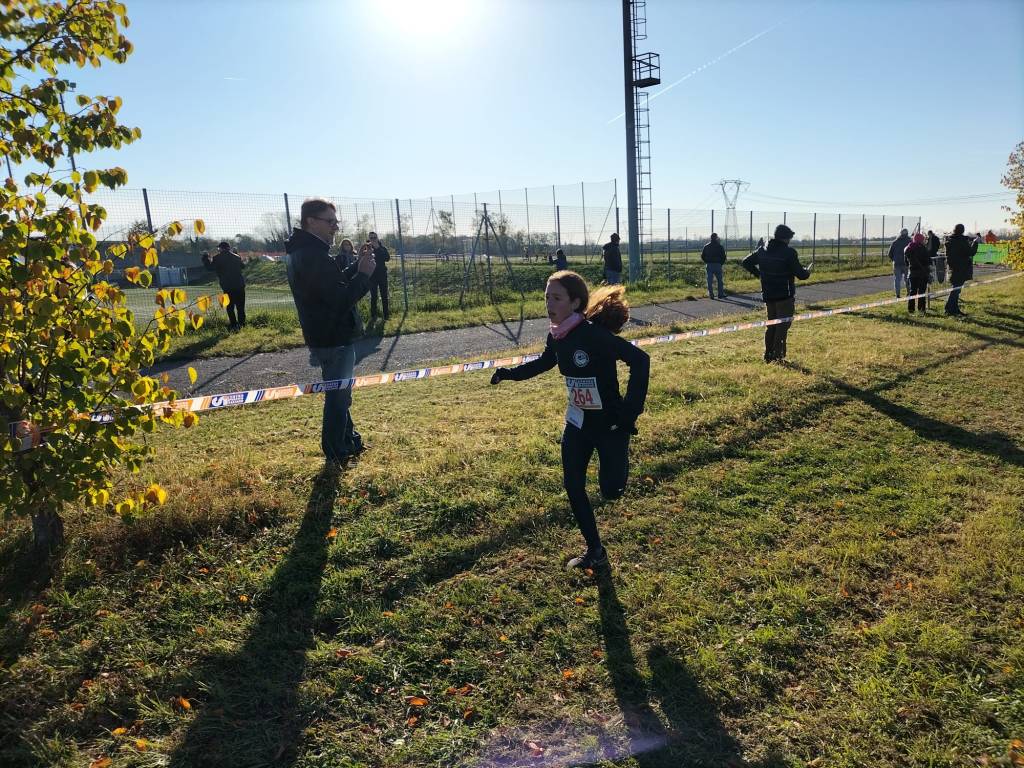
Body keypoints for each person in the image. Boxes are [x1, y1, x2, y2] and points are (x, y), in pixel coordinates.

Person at [490, 270, 649, 571]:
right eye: (547, 296)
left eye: (557, 297)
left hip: (610, 426)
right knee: (573, 485)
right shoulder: (557, 335)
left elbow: (640, 360)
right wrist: (508, 373)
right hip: (577, 424)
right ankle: (595, 551)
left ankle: (617, 462)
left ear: (575, 303)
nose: (549, 303)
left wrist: (630, 413)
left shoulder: (594, 335)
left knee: (610, 491)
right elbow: (544, 362)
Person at [286, 198, 376, 462]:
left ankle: (349, 440)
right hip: (333, 337)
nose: (335, 227)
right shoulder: (312, 255)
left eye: (336, 222)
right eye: (330, 222)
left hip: (325, 336)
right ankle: (337, 450)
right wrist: (363, 276)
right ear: (311, 221)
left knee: (340, 393)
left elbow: (330, 286)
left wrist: (356, 267)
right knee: (338, 398)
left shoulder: (306, 251)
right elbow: (338, 301)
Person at [741, 224, 813, 363]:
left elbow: (746, 262)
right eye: (789, 238)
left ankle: (768, 354)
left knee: (771, 325)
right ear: (785, 238)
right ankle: (777, 356)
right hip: (784, 296)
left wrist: (760, 275)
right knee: (782, 326)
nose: (790, 241)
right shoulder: (789, 252)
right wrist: (807, 271)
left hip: (768, 294)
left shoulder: (762, 250)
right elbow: (801, 275)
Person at [202, 241, 247, 330]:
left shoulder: (217, 258)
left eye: (218, 248)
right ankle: (242, 325)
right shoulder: (236, 257)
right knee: (240, 307)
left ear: (221, 248)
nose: (218, 250)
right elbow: (243, 266)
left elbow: (209, 268)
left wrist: (205, 257)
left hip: (228, 287)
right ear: (229, 248)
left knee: (230, 307)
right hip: (240, 285)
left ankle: (234, 325)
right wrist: (236, 254)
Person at [943, 224, 978, 316]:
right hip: (960, 268)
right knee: (956, 290)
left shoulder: (950, 240)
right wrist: (975, 242)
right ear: (962, 231)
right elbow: (971, 252)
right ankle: (948, 309)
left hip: (953, 267)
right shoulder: (960, 241)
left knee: (956, 290)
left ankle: (954, 309)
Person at [904, 232, 931, 313]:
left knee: (912, 291)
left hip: (912, 273)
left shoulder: (908, 248)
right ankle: (921, 309)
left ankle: (911, 309)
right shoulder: (922, 248)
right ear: (921, 240)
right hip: (922, 273)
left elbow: (906, 262)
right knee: (922, 291)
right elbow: (927, 261)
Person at [367, 231, 390, 322]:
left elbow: (387, 258)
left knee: (384, 295)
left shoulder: (382, 248)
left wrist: (378, 248)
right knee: (374, 296)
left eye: (374, 237)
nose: (373, 239)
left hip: (382, 275)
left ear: (377, 238)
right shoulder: (367, 249)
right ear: (369, 239)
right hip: (372, 276)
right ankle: (373, 316)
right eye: (371, 238)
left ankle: (386, 315)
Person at [700, 232, 727, 299]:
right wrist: (721, 263)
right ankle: (720, 294)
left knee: (709, 281)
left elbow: (702, 256)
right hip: (718, 264)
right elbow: (723, 257)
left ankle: (711, 295)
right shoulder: (720, 246)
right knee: (719, 281)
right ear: (716, 238)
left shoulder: (706, 246)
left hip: (709, 264)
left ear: (711, 238)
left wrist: (707, 262)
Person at [887, 228, 912, 298]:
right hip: (907, 263)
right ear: (907, 234)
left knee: (897, 280)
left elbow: (889, 254)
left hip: (897, 264)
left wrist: (894, 259)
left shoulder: (895, 242)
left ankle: (898, 294)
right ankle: (909, 293)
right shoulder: (910, 241)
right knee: (907, 279)